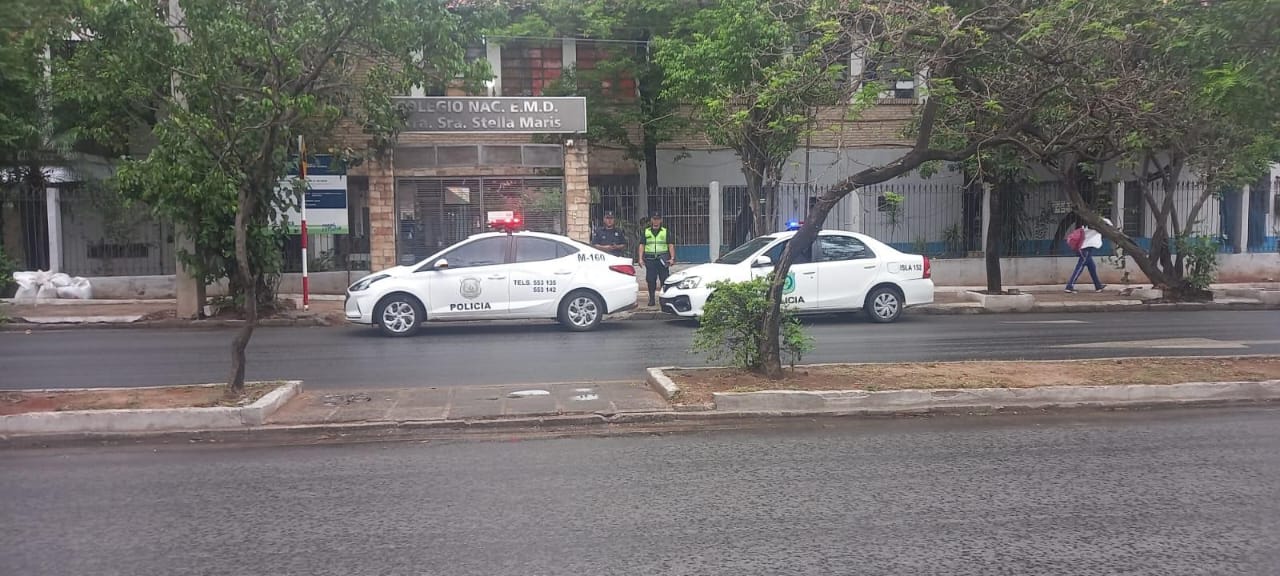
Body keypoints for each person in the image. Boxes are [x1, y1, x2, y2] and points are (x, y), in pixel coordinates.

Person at [637, 211, 676, 307]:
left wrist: (672, 258)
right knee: (650, 280)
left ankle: (664, 300)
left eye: (658, 219)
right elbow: (642, 245)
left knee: (664, 279)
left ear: (661, 220)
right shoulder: (646, 231)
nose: (656, 221)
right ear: (651, 220)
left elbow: (670, 245)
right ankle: (651, 299)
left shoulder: (665, 231)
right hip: (650, 259)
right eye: (654, 219)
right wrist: (640, 259)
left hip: (662, 259)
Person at [1065, 217, 1110, 293]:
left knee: (1092, 267)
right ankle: (1069, 286)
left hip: (1086, 250)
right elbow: (1108, 224)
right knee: (1079, 268)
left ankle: (1098, 286)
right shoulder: (1094, 228)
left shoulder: (1088, 227)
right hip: (1085, 250)